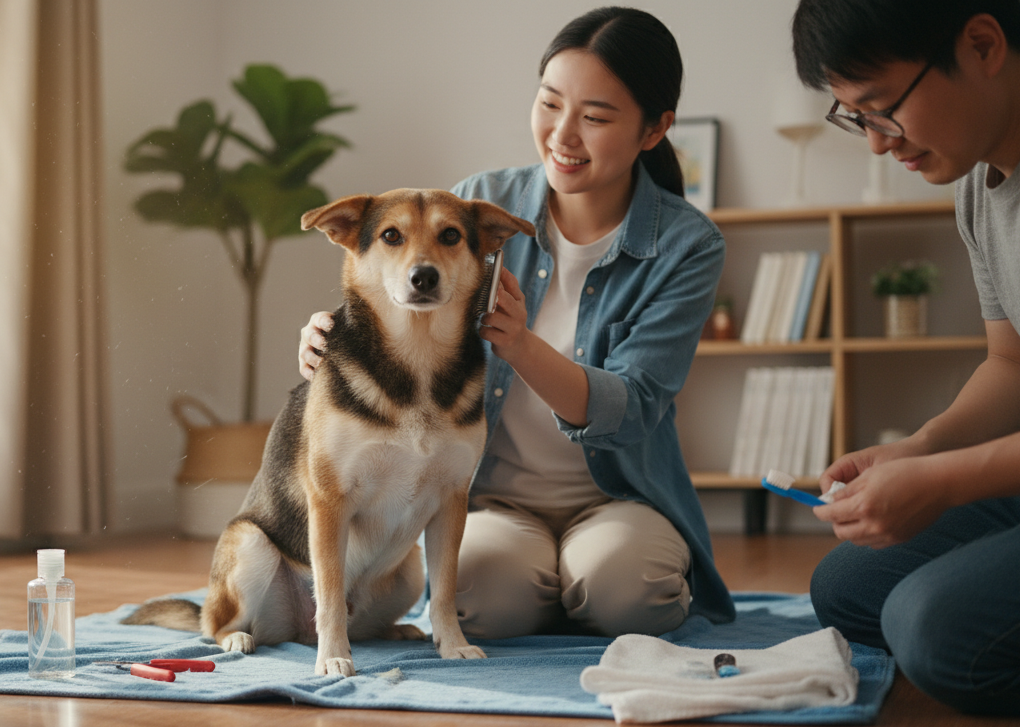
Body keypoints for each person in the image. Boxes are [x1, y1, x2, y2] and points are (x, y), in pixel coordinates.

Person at [297, 7, 735, 640]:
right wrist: (330, 332)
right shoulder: (478, 200)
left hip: (619, 497)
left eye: (595, 117)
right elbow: (404, 287)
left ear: (654, 129)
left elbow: (636, 407)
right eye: (550, 103)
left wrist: (522, 345)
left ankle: (577, 584)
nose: (563, 134)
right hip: (496, 497)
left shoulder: (687, 245)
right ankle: (553, 588)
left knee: (627, 594)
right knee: (478, 602)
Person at [793, 0, 1020, 716]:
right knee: (845, 587)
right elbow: (1013, 365)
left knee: (931, 628)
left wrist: (946, 481)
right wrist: (919, 451)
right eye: (854, 116)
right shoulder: (976, 188)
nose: (875, 143)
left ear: (982, 44)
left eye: (880, 108)